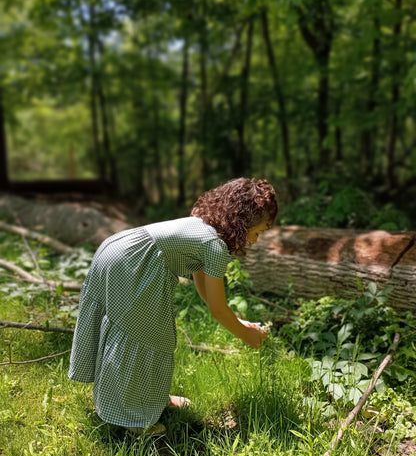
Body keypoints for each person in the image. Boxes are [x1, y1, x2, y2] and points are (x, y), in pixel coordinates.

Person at [68, 178, 278, 435]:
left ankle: (151, 399)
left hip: (117, 248)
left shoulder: (205, 228)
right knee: (142, 334)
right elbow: (218, 309)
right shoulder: (215, 245)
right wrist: (247, 335)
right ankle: (134, 419)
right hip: (134, 262)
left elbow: (206, 291)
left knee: (151, 333)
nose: (256, 240)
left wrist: (239, 323)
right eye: (257, 231)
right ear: (242, 222)